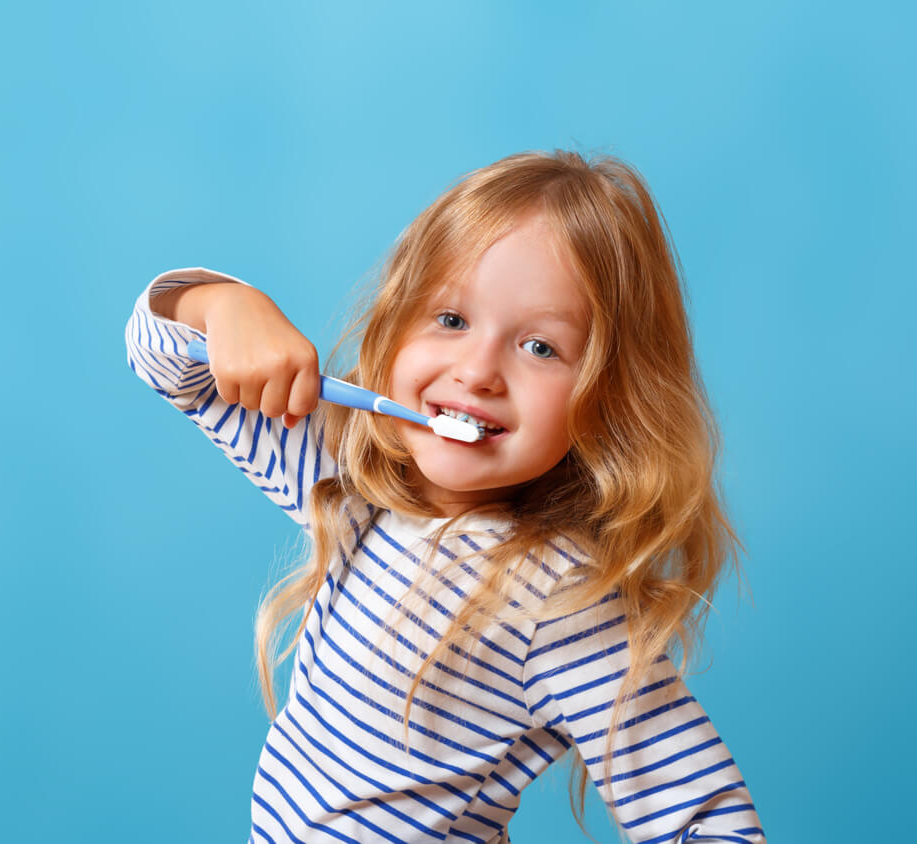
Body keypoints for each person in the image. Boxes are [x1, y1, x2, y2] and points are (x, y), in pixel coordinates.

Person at [124, 150, 765, 843]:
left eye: (540, 347)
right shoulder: (350, 482)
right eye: (451, 320)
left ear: (605, 402)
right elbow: (166, 361)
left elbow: (707, 820)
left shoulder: (559, 601)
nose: (478, 371)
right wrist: (225, 305)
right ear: (395, 325)